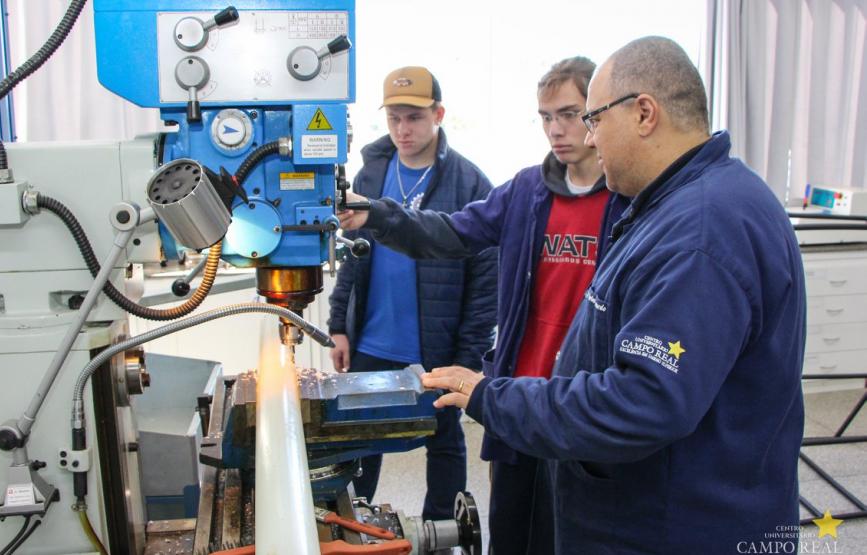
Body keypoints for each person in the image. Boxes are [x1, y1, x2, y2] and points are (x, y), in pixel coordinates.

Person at [415, 37, 806, 553]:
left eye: (593, 119)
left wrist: (495, 396)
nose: (588, 138)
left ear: (644, 113)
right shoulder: (675, 206)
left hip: (675, 527)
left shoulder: (701, 232)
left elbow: (644, 402)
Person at [337, 57, 629, 554]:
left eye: (569, 114)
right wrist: (376, 215)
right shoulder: (526, 192)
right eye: (546, 117)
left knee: (573, 537)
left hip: (581, 406)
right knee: (511, 535)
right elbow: (449, 232)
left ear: (598, 113)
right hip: (518, 402)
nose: (556, 130)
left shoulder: (628, 202)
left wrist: (467, 350)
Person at [327, 66, 497, 522]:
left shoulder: (470, 184)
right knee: (360, 441)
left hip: (436, 348)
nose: (403, 129)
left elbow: (486, 285)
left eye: (415, 118)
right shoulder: (372, 173)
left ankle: (441, 532)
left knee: (444, 442)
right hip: (371, 342)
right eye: (394, 118)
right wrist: (339, 327)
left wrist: (469, 356)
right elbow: (352, 257)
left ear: (438, 115)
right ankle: (355, 526)